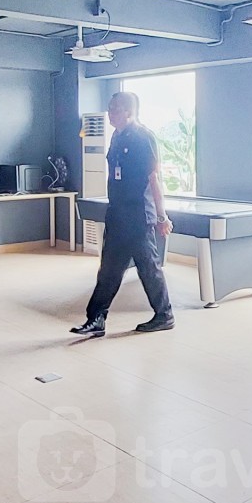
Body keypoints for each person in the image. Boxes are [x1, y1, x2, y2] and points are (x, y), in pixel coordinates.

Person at [71, 91, 174, 338]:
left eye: (115, 109)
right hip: (117, 213)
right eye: (109, 108)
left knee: (148, 268)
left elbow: (154, 179)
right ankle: (96, 318)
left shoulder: (144, 138)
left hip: (139, 215)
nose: (110, 113)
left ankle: (164, 315)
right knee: (109, 269)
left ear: (129, 111)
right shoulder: (116, 137)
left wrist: (162, 217)